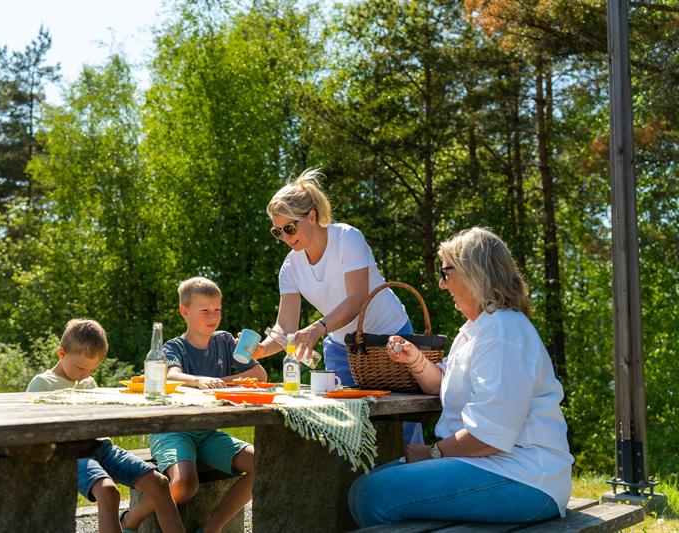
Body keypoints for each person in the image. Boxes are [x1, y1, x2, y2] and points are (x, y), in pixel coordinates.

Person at [348, 227, 573, 526]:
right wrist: (415, 360)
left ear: (473, 272)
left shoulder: (504, 331)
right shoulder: (477, 328)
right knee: (366, 486)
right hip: (492, 465)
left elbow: (488, 437)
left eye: (445, 273)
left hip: (525, 475)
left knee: (372, 494)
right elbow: (443, 383)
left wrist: (432, 452)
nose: (442, 285)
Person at [251, 168, 422, 444]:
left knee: (402, 432)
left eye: (289, 228)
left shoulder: (347, 238)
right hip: (342, 349)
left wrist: (317, 328)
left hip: (391, 340)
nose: (284, 237)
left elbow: (357, 299)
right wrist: (260, 350)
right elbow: (284, 329)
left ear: (311, 216)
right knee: (349, 433)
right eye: (277, 231)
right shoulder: (290, 267)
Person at [26, 319, 183, 533]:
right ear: (61, 354)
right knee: (108, 491)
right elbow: (32, 429)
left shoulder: (88, 383)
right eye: (80, 367)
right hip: (68, 453)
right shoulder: (43, 383)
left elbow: (101, 417)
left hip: (101, 447)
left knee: (160, 483)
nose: (84, 375)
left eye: (91, 370)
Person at [148, 277, 265, 533]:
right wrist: (200, 380)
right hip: (172, 430)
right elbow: (170, 375)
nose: (213, 316)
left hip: (207, 433)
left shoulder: (224, 341)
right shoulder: (174, 347)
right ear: (185, 312)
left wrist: (221, 381)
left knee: (263, 463)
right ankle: (133, 517)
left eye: (217, 310)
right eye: (205, 311)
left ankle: (212, 529)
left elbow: (260, 374)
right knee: (185, 484)